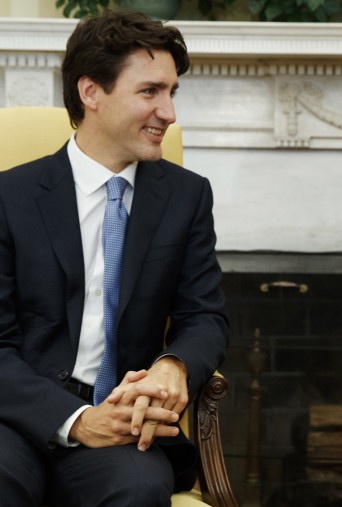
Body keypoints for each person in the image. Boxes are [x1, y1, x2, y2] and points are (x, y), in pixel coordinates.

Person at [0, 9, 229, 507]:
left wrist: (173, 365)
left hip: (127, 422)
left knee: (140, 488)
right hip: (16, 420)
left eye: (172, 93)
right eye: (150, 92)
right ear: (91, 93)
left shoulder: (187, 197)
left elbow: (205, 315)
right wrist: (77, 420)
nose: (168, 113)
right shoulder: (9, 198)